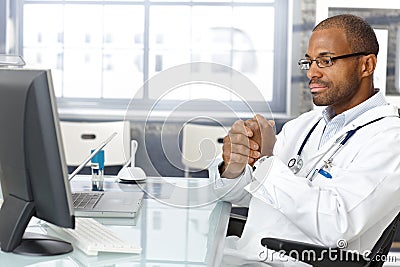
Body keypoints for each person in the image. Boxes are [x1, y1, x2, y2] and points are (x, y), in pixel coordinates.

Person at [209, 14, 400, 266]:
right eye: (309, 62)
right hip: (247, 256)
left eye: (325, 60)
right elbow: (248, 195)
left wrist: (266, 161)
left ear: (366, 65)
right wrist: (235, 166)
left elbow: (337, 225)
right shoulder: (305, 125)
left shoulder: (389, 140)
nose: (312, 72)